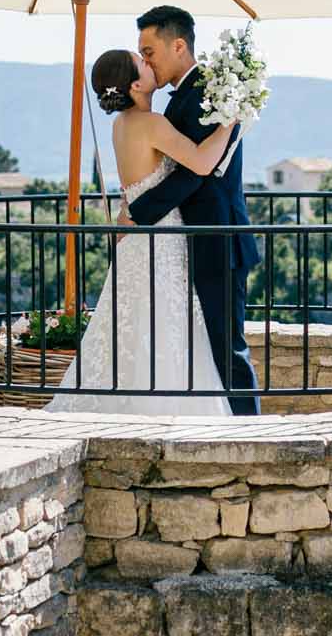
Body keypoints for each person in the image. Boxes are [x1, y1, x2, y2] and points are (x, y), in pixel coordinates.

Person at [46, 47, 238, 415]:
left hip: (136, 239)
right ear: (135, 83)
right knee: (163, 322)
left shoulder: (121, 125)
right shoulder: (151, 124)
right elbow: (200, 162)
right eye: (143, 62)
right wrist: (231, 121)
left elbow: (134, 184)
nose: (151, 64)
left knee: (131, 321)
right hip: (160, 238)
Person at [124, 5, 261, 415]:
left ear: (178, 45)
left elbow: (193, 175)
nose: (145, 61)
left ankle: (250, 435)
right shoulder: (191, 94)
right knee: (209, 346)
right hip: (201, 238)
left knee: (227, 348)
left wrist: (138, 211)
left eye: (149, 51)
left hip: (218, 238)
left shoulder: (203, 93)